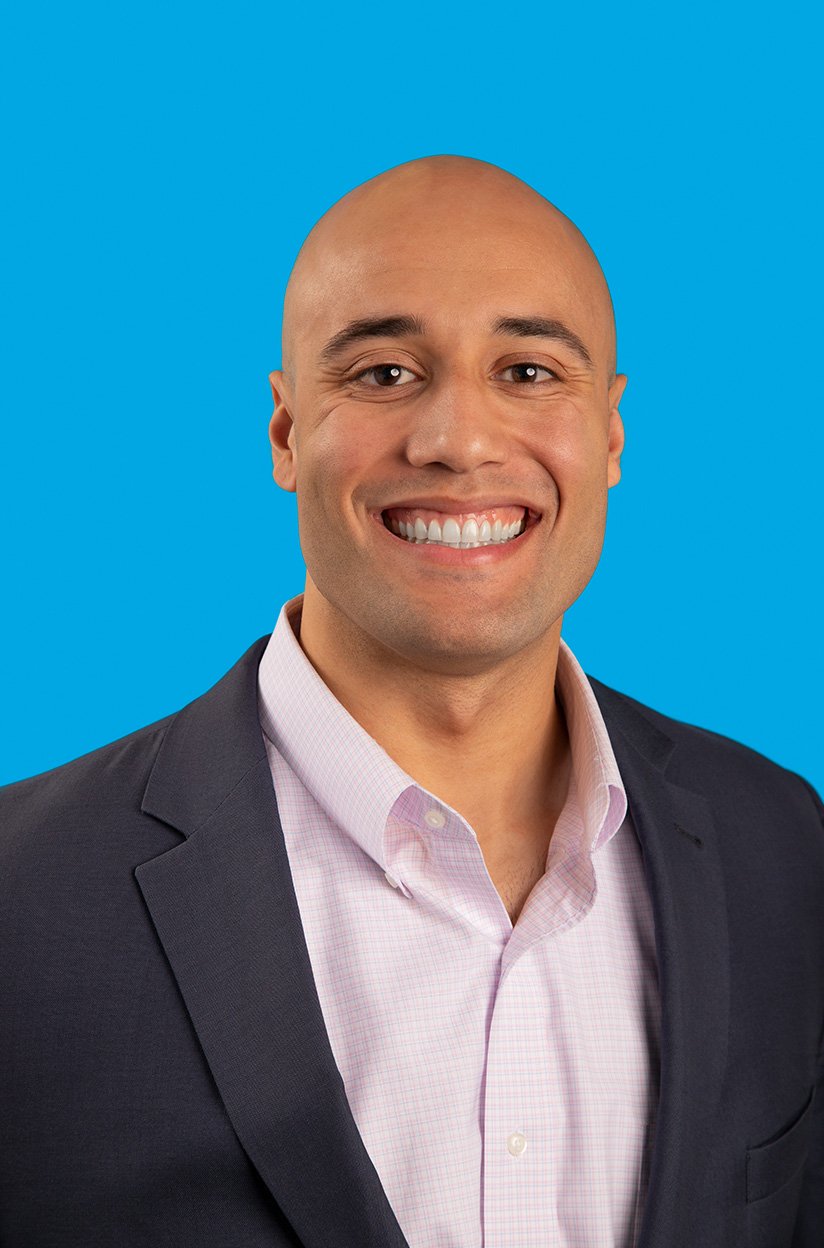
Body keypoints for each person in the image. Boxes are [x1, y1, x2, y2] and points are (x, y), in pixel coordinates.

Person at [1, 155, 821, 1248]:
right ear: (286, 432)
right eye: (384, 373)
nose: (459, 441)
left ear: (610, 434)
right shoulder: (22, 895)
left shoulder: (781, 846)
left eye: (527, 371)